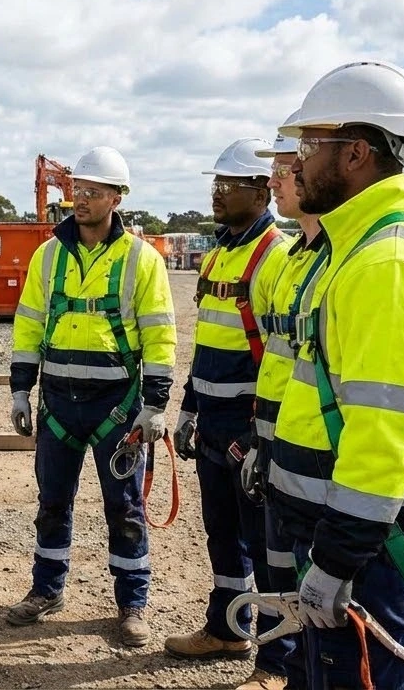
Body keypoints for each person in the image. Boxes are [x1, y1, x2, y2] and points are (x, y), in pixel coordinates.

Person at [269, 60, 404, 690]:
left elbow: (382, 436)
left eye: (308, 147)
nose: (295, 164)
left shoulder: (388, 264)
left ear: (355, 153)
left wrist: (335, 562)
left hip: (370, 543)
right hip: (352, 530)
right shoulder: (356, 248)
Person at [5, 146, 176, 647]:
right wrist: (20, 389)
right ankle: (46, 590)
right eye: (78, 189)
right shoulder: (49, 254)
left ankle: (132, 603)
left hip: (117, 408)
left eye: (93, 191)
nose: (80, 199)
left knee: (124, 508)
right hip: (58, 402)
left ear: (117, 198)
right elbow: (29, 322)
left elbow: (161, 335)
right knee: (52, 501)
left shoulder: (141, 260)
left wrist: (156, 403)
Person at [164, 138, 291, 690]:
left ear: (262, 190)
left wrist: (266, 436)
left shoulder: (276, 256)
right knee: (222, 534)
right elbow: (209, 344)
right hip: (213, 418)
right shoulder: (217, 255)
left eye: (228, 185)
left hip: (250, 423)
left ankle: (275, 662)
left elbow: (284, 357)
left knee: (268, 545)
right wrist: (189, 408)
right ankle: (228, 628)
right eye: (214, 183)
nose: (216, 194)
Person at [241, 129, 322, 689]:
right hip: (279, 447)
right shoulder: (291, 261)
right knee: (275, 568)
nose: (274, 179)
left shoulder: (353, 263)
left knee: (313, 584)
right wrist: (261, 440)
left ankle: (290, 668)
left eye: (287, 166)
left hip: (324, 460)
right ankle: (276, 665)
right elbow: (274, 359)